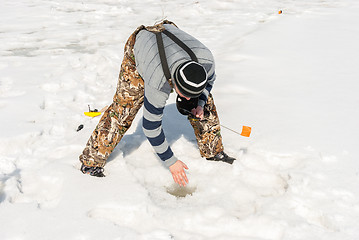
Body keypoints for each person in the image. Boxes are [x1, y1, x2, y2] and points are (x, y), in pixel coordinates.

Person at [79, 20, 235, 186]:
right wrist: (171, 161)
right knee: (123, 111)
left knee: (206, 105)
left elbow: (209, 82)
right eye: (184, 95)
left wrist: (201, 102)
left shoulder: (206, 63)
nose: (188, 99)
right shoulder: (158, 81)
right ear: (173, 84)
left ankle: (213, 152)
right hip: (141, 46)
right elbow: (150, 127)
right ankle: (91, 162)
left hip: (171, 36)